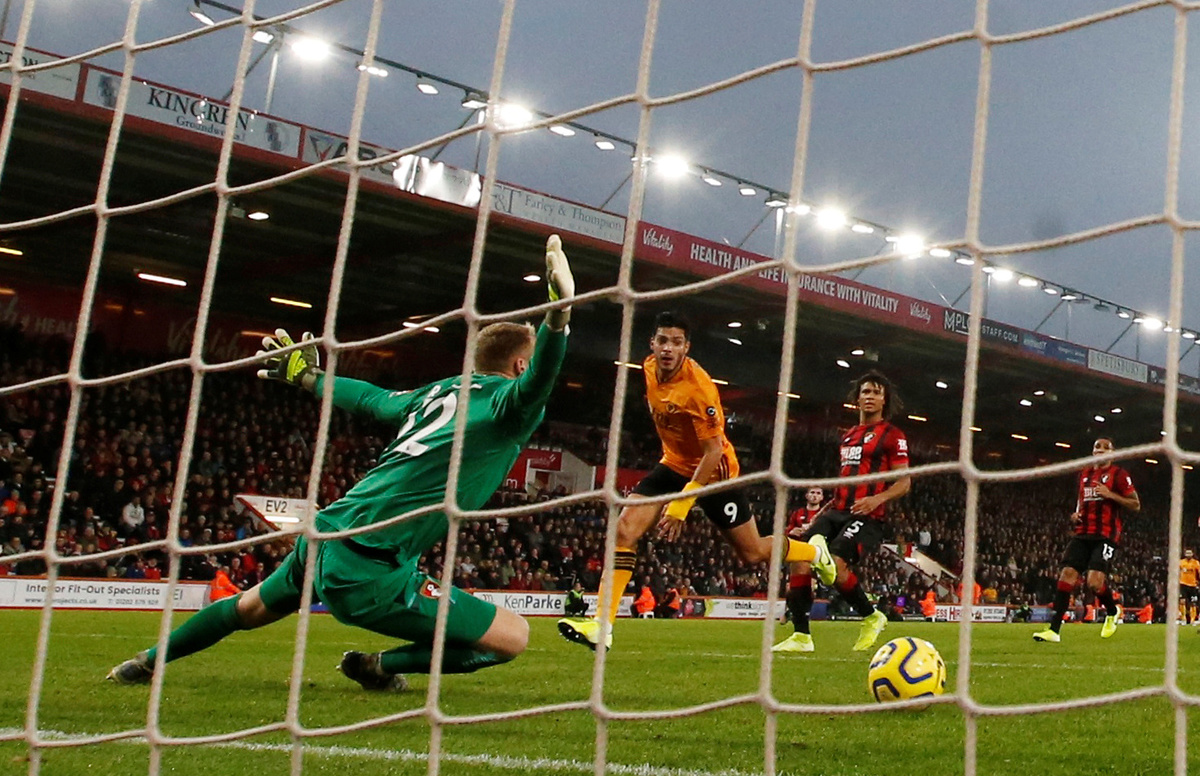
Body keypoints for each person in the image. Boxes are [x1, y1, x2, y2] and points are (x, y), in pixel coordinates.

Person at [108, 234, 575, 691]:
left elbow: (371, 399)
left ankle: (144, 662)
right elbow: (542, 378)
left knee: (247, 609)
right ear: (519, 366)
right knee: (512, 637)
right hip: (368, 567)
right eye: (527, 363)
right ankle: (377, 666)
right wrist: (558, 319)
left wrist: (310, 378)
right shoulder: (508, 407)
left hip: (326, 536)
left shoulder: (436, 393)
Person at [558, 312, 833, 651]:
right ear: (652, 344)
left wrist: (682, 504)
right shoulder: (648, 368)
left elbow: (714, 451)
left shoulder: (699, 389)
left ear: (686, 347)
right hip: (673, 465)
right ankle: (602, 625)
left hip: (715, 474)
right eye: (662, 341)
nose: (667, 348)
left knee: (752, 552)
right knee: (625, 529)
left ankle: (814, 551)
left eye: (676, 342)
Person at [775, 371, 911, 653]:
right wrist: (816, 518)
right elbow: (842, 484)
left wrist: (876, 499)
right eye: (865, 392)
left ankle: (872, 616)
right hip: (836, 511)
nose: (870, 397)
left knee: (836, 565)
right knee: (798, 557)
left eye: (876, 392)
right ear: (857, 399)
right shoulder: (848, 436)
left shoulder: (892, 435)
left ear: (884, 400)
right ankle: (801, 636)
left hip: (867, 516)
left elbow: (904, 482)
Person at [1034, 436, 1140, 643]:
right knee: (1066, 575)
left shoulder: (1119, 475)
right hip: (1083, 532)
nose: (1100, 450)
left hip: (1106, 534)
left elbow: (1135, 505)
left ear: (1113, 453)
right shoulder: (1085, 474)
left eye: (1105, 448)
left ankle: (1112, 611)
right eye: (1097, 447)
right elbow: (1081, 501)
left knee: (1094, 582)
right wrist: (1076, 514)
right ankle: (1054, 630)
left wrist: (1110, 495)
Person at [772, 485, 827, 653]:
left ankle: (800, 621)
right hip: (798, 553)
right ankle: (793, 613)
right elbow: (787, 531)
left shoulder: (824, 514)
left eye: (818, 493)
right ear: (806, 495)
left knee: (810, 588)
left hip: (817, 554)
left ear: (822, 497)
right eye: (812, 493)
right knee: (792, 588)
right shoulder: (798, 513)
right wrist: (792, 531)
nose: (815, 496)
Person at [1180, 549, 1200, 626]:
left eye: (1190, 553)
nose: (1188, 554)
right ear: (1185, 554)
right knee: (1182, 601)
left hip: (1192, 585)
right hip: (1183, 584)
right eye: (1187, 553)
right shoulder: (1181, 562)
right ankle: (1183, 619)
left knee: (1193, 603)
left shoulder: (1196, 563)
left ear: (1192, 554)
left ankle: (1192, 620)